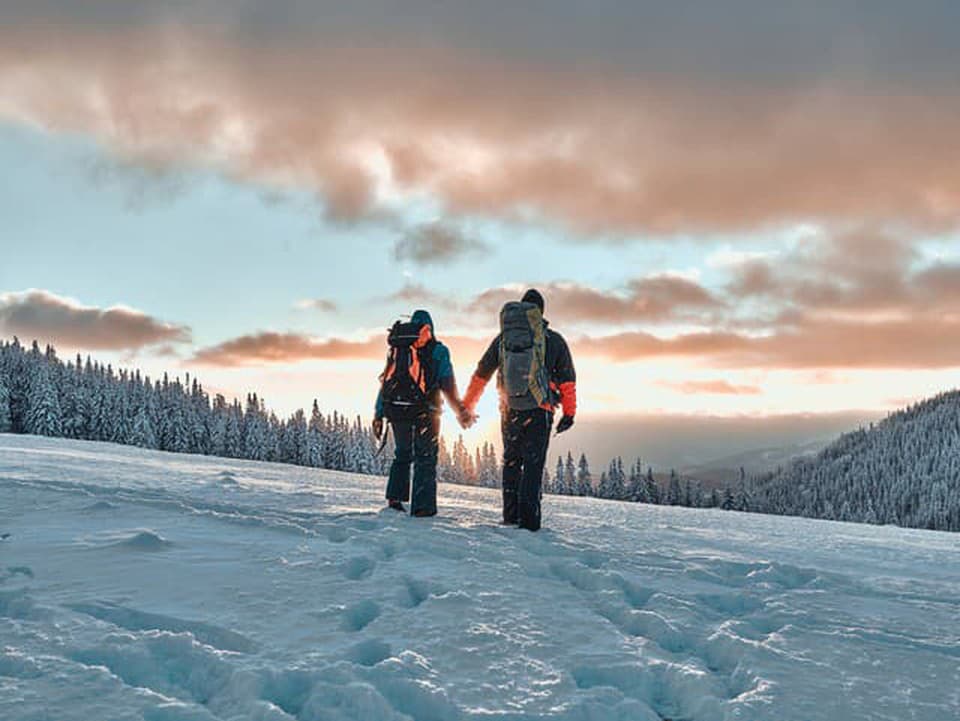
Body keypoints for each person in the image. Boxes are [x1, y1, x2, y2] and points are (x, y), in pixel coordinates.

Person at [462, 289, 577, 531]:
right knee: (533, 467)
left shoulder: (503, 339)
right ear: (540, 312)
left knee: (512, 463)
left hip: (509, 409)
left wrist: (468, 405)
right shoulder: (552, 340)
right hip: (540, 409)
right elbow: (567, 381)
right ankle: (529, 523)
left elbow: (481, 373)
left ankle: (510, 517)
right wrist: (569, 413)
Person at [373, 309, 472, 516]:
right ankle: (422, 508)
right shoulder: (439, 351)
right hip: (427, 412)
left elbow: (386, 382)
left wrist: (378, 413)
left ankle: (395, 499)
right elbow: (448, 384)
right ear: (430, 328)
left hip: (398, 408)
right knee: (425, 459)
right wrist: (460, 410)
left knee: (402, 454)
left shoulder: (399, 348)